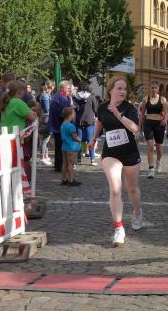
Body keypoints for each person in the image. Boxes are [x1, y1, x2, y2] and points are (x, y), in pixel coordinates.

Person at [88, 76, 143, 246]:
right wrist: (93, 139)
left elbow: (135, 128)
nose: (123, 91)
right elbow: (99, 123)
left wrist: (118, 115)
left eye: (125, 89)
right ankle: (119, 228)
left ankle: (137, 211)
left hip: (129, 152)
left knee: (132, 189)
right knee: (115, 189)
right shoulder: (102, 107)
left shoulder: (129, 108)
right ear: (110, 90)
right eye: (119, 88)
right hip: (110, 153)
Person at [140, 81, 168, 178]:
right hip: (148, 124)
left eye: (155, 87)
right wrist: (139, 127)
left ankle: (158, 162)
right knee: (150, 146)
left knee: (159, 148)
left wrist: (165, 120)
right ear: (150, 88)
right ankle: (151, 169)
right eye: (152, 87)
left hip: (159, 125)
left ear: (158, 89)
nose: (153, 89)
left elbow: (166, 113)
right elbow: (142, 114)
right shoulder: (145, 99)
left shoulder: (163, 99)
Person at [48, 81, 73, 172]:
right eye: (68, 88)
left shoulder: (56, 97)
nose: (70, 90)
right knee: (62, 148)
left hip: (56, 126)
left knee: (58, 148)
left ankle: (58, 165)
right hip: (61, 127)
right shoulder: (62, 99)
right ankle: (61, 166)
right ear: (63, 88)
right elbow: (64, 114)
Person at [73, 84, 99, 166]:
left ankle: (78, 159)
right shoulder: (91, 97)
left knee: (78, 141)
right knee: (90, 140)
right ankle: (92, 159)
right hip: (89, 121)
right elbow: (96, 109)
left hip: (79, 121)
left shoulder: (75, 97)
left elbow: (74, 108)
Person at [59, 107, 82, 186]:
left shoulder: (63, 124)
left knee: (64, 164)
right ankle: (71, 180)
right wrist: (80, 140)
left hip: (64, 147)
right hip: (72, 148)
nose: (75, 115)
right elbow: (74, 137)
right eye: (74, 114)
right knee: (71, 164)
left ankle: (64, 179)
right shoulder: (71, 126)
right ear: (70, 115)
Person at [39, 81, 54, 166]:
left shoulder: (47, 95)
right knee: (45, 139)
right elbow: (47, 110)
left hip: (47, 118)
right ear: (51, 87)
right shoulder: (45, 96)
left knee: (46, 140)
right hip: (46, 119)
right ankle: (42, 157)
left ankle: (45, 156)